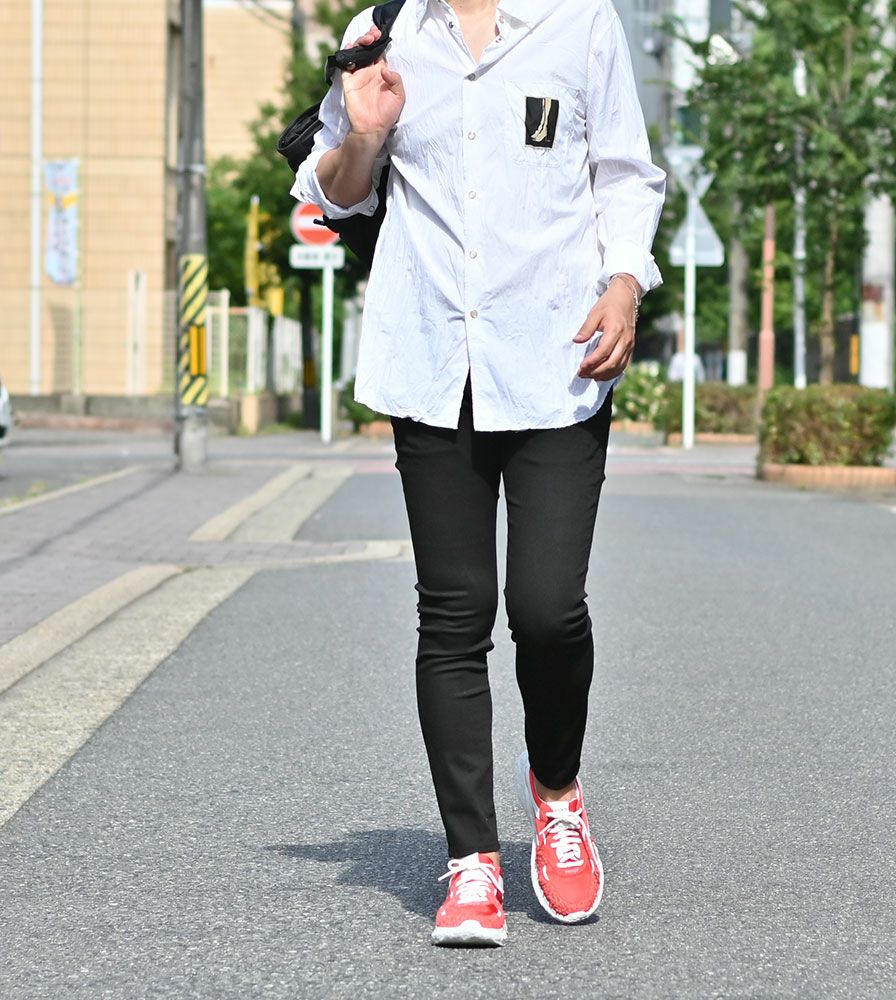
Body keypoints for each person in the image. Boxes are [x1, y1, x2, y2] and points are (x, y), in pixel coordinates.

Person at [293, 0, 665, 946]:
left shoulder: (581, 22)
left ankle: (557, 792)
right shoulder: (386, 32)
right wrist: (365, 136)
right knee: (454, 614)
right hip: (430, 362)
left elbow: (626, 174)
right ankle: (472, 862)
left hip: (558, 359)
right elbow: (334, 193)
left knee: (547, 607)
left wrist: (625, 283)